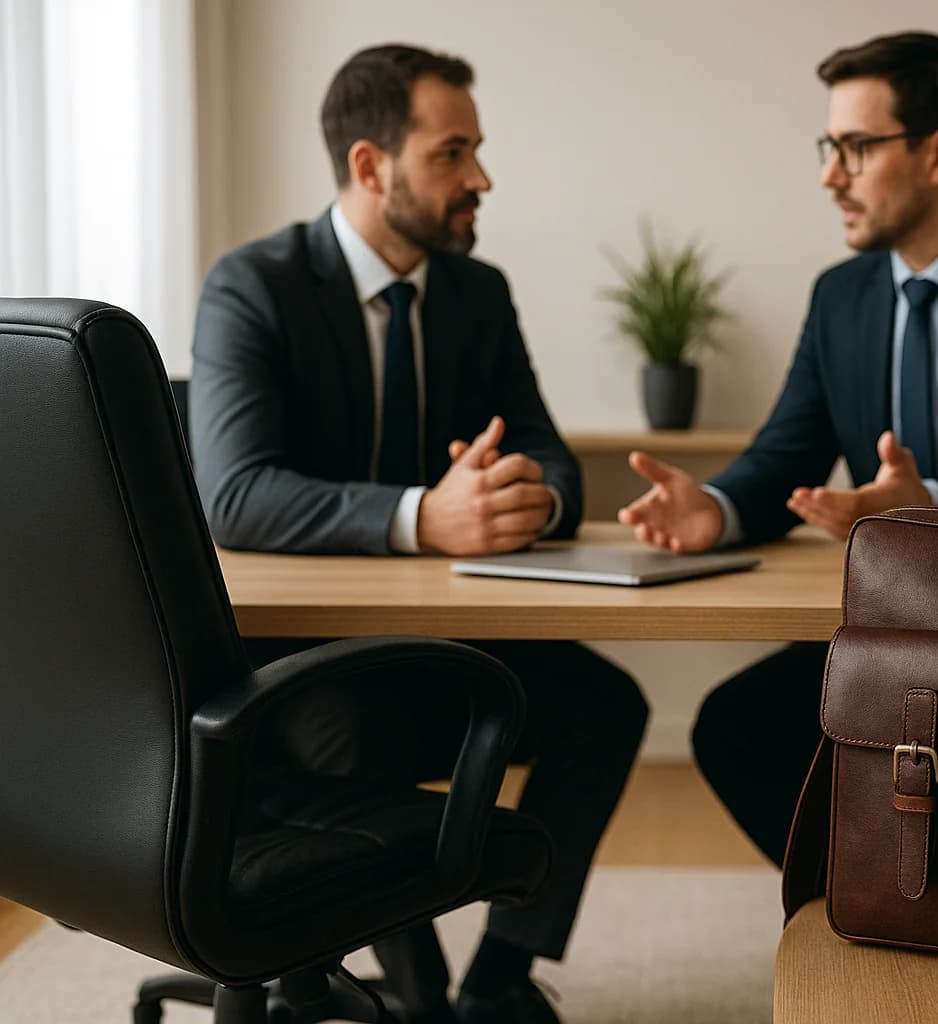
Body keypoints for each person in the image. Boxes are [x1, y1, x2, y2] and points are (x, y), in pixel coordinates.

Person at [190, 44, 646, 1024]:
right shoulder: (253, 287)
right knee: (363, 736)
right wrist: (419, 517)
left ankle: (497, 979)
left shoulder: (476, 293)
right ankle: (418, 984)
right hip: (303, 660)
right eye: (453, 153)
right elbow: (236, 492)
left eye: (476, 150)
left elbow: (547, 452)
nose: (481, 177)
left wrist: (530, 498)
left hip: (452, 637)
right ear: (369, 166)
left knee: (608, 707)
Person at [619, 31, 938, 866]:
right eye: (831, 146)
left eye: (857, 147)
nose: (832, 174)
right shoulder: (841, 297)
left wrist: (931, 505)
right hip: (895, 627)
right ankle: (873, 909)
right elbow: (785, 455)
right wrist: (713, 507)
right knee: (734, 729)